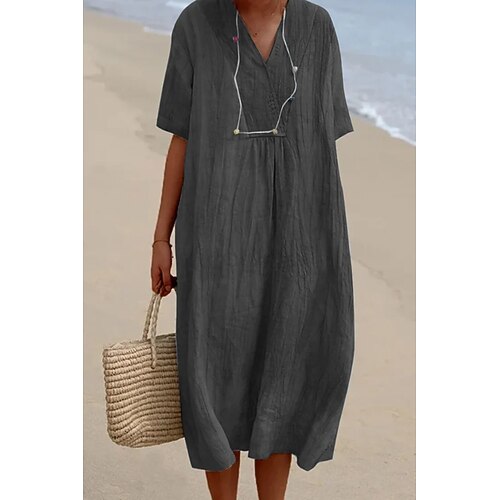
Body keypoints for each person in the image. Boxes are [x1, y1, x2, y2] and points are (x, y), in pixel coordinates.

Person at [150, 0, 355, 498]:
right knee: (215, 368)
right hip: (216, 237)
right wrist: (161, 237)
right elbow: (182, 138)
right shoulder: (196, 25)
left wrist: (322, 244)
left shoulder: (316, 28)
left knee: (287, 366)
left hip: (298, 238)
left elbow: (318, 145)